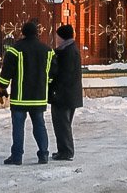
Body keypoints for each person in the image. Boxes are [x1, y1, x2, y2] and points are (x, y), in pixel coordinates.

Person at [0, 20, 54, 165]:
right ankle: (43, 154)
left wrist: (2, 88)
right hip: (39, 97)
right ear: (37, 33)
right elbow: (52, 73)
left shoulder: (14, 50)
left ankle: (17, 157)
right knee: (39, 125)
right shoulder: (48, 51)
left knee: (18, 127)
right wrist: (46, 85)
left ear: (22, 33)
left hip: (20, 98)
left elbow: (6, 73)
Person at [48, 23, 83, 161]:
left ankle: (66, 151)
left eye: (57, 36)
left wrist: (55, 89)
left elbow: (64, 75)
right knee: (63, 124)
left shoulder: (68, 52)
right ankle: (63, 150)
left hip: (64, 95)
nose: (56, 39)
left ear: (62, 37)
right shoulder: (69, 50)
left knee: (62, 124)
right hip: (69, 94)